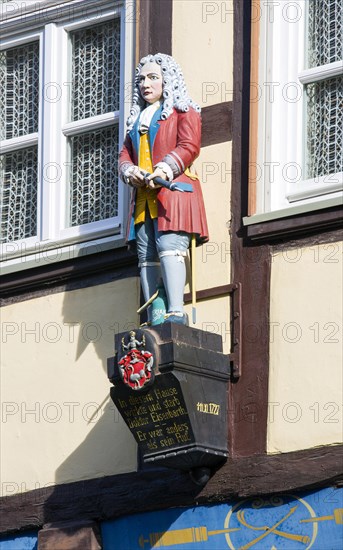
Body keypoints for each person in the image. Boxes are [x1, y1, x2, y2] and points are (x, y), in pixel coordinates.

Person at [119, 53, 208, 325]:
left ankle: (176, 311)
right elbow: (125, 153)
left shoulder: (184, 111)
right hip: (145, 196)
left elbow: (189, 146)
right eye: (142, 79)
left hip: (172, 192)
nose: (146, 84)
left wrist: (165, 168)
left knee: (170, 246)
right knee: (146, 253)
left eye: (153, 77)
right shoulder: (137, 120)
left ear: (167, 80)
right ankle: (155, 315)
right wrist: (129, 170)